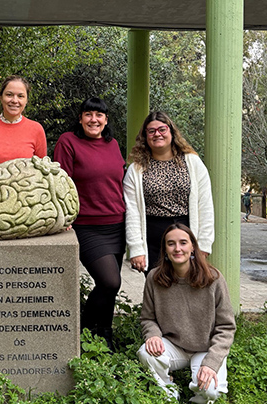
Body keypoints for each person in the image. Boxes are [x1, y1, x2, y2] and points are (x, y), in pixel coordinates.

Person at [53, 97, 125, 349]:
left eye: (100, 115)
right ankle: (83, 328)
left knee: (110, 287)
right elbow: (60, 182)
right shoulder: (68, 142)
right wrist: (64, 216)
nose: (94, 120)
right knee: (109, 281)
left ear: (106, 120)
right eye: (89, 114)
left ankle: (104, 334)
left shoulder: (113, 144)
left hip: (117, 223)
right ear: (81, 118)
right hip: (86, 226)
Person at [137, 223, 236, 403]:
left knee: (211, 392)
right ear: (165, 250)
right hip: (174, 347)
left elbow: (226, 327)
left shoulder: (214, 279)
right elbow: (148, 318)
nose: (177, 249)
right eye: (171, 243)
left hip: (205, 349)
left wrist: (211, 363)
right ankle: (167, 390)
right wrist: (152, 335)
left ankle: (197, 398)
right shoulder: (154, 278)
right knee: (145, 353)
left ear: (192, 248)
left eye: (183, 243)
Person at [123, 111, 214, 275]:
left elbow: (205, 204)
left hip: (186, 232)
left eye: (162, 129)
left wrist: (204, 243)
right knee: (158, 283)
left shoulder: (192, 163)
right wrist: (136, 248)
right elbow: (133, 211)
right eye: (151, 131)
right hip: (152, 234)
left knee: (188, 284)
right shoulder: (136, 170)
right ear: (145, 136)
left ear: (171, 132)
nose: (157, 134)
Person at [0, 75, 47, 185]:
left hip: (23, 198)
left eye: (20, 96)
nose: (14, 100)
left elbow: (41, 171)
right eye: (9, 95)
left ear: (26, 100)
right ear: (1, 97)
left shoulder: (36, 129)